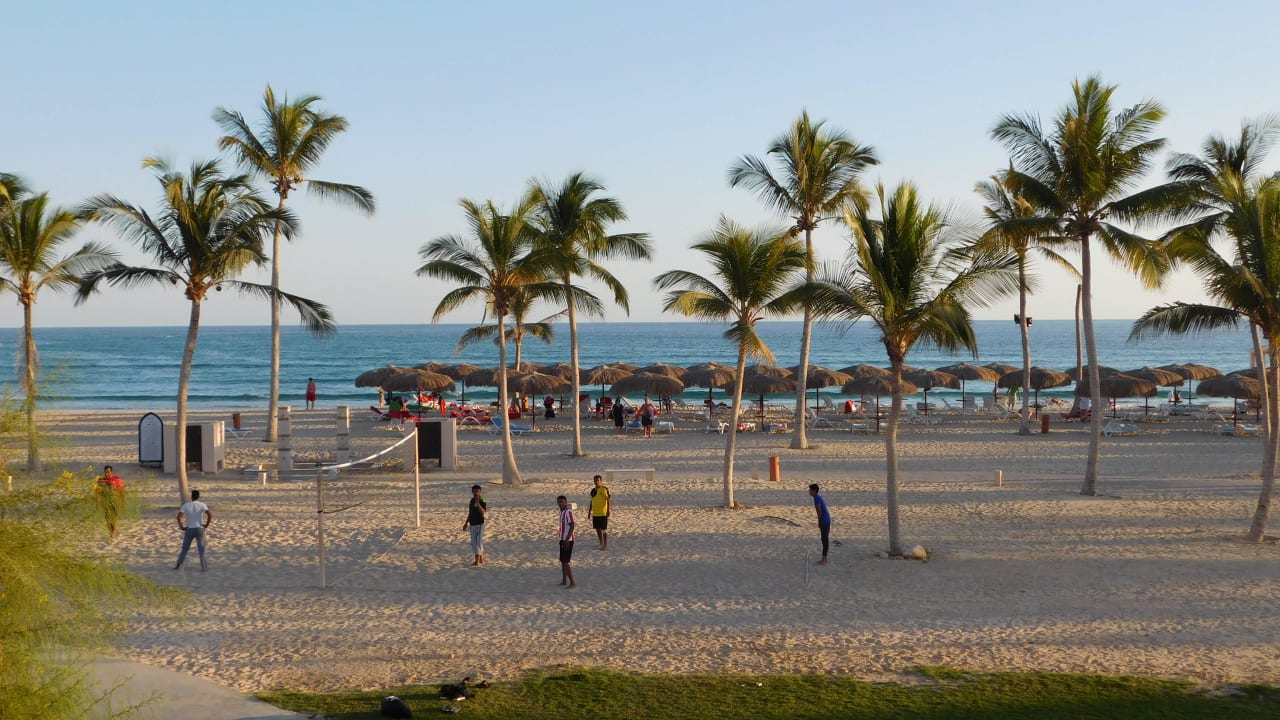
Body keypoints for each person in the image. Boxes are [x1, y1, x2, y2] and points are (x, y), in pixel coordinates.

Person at [174, 489, 212, 571]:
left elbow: (178, 517)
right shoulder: (202, 505)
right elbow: (209, 515)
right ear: (198, 497)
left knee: (184, 548)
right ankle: (204, 567)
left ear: (191, 496)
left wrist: (181, 527)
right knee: (201, 549)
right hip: (199, 528)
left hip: (189, 529)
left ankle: (178, 566)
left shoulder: (186, 505)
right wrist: (206, 525)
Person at [95, 465, 124, 541]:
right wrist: (97, 501)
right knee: (107, 519)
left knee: (113, 518)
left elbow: (121, 491)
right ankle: (111, 533)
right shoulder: (101, 480)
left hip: (115, 501)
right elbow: (98, 492)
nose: (106, 473)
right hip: (105, 502)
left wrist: (123, 501)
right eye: (105, 472)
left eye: (108, 472)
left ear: (111, 471)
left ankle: (112, 532)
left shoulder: (117, 479)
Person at [462, 484, 487, 566]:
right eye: (474, 491)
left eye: (478, 491)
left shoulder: (483, 500)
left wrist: (478, 503)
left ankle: (477, 561)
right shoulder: (471, 500)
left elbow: (483, 512)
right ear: (472, 492)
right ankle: (480, 559)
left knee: (478, 542)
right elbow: (470, 513)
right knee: (474, 542)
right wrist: (466, 523)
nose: (476, 493)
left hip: (480, 524)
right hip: (472, 524)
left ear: (480, 492)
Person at [809, 483, 831, 565]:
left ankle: (824, 560)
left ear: (814, 491)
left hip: (825, 521)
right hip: (825, 520)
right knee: (824, 540)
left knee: (825, 540)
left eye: (810, 490)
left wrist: (819, 521)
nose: (809, 491)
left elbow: (819, 511)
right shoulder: (817, 498)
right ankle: (824, 559)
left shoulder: (817, 499)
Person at [556, 495, 576, 588]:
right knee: (562, 560)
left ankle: (572, 582)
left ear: (566, 502)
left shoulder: (568, 512)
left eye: (562, 502)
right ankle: (564, 580)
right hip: (562, 538)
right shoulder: (561, 512)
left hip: (568, 540)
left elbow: (572, 526)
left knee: (565, 561)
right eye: (559, 502)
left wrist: (567, 539)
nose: (560, 503)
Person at [588, 474, 611, 550]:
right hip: (595, 513)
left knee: (603, 529)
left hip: (603, 513)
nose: (596, 482)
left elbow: (607, 500)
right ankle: (600, 542)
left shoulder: (604, 490)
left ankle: (605, 544)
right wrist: (589, 511)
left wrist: (608, 510)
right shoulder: (593, 491)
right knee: (597, 529)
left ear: (601, 481)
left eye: (598, 480)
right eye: (595, 480)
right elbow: (592, 501)